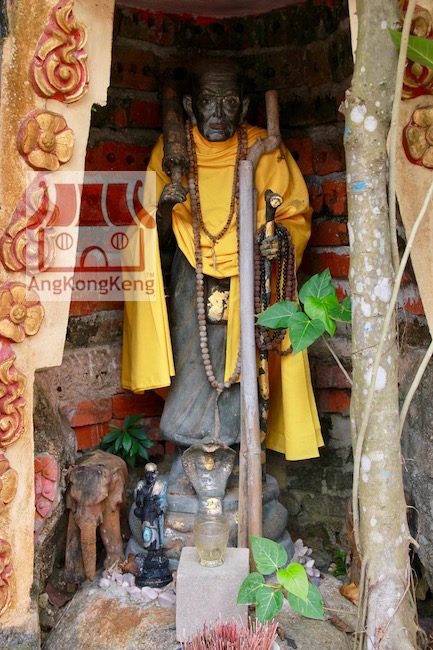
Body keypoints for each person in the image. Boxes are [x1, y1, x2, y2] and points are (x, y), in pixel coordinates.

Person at [122, 59, 323, 463]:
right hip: (189, 272)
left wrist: (276, 242)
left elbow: (293, 217)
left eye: (229, 102)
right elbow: (149, 239)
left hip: (250, 274)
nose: (217, 113)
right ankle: (186, 448)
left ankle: (239, 451)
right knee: (194, 361)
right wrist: (165, 211)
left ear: (244, 106)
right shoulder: (171, 150)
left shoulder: (265, 149)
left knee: (243, 363)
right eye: (207, 102)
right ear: (190, 106)